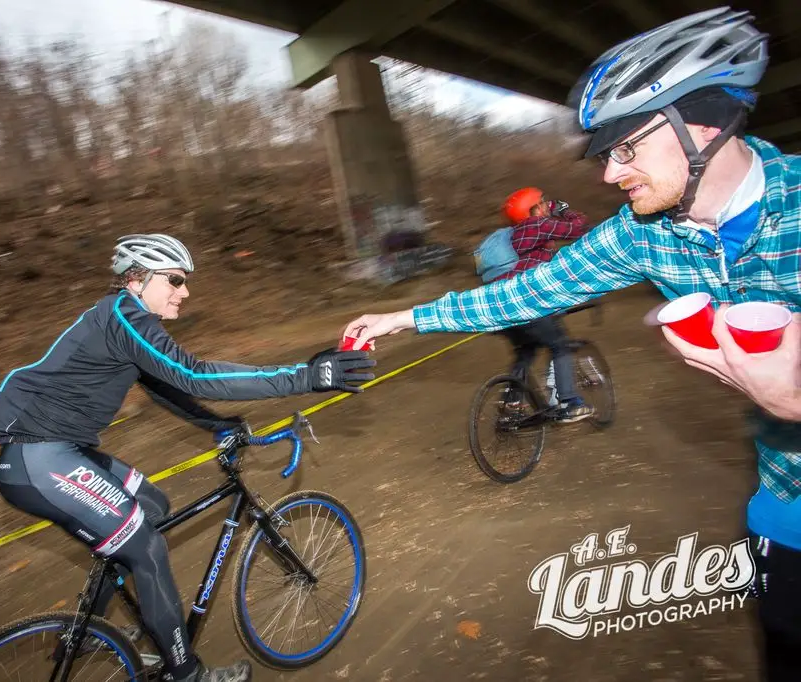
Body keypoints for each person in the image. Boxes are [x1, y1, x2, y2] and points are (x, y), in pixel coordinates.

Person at [340, 8, 799, 680]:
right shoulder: (645, 233)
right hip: (783, 511)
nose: (611, 174)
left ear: (701, 125)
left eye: (628, 148)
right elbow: (529, 291)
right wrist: (407, 316)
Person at [0, 233, 375, 682]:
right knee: (147, 548)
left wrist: (218, 425)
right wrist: (307, 376)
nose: (184, 291)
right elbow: (194, 375)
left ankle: (88, 630)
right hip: (42, 460)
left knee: (153, 507)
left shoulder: (120, 322)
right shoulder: (124, 316)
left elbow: (166, 386)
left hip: (58, 454)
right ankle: (185, 673)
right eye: (174, 279)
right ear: (137, 279)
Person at [478, 187, 594, 422]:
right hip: (527, 304)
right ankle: (569, 402)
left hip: (500, 307)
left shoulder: (514, 235)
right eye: (542, 203)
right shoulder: (537, 226)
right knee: (560, 345)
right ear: (533, 209)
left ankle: (511, 401)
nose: (546, 206)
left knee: (526, 349)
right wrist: (564, 210)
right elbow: (577, 227)